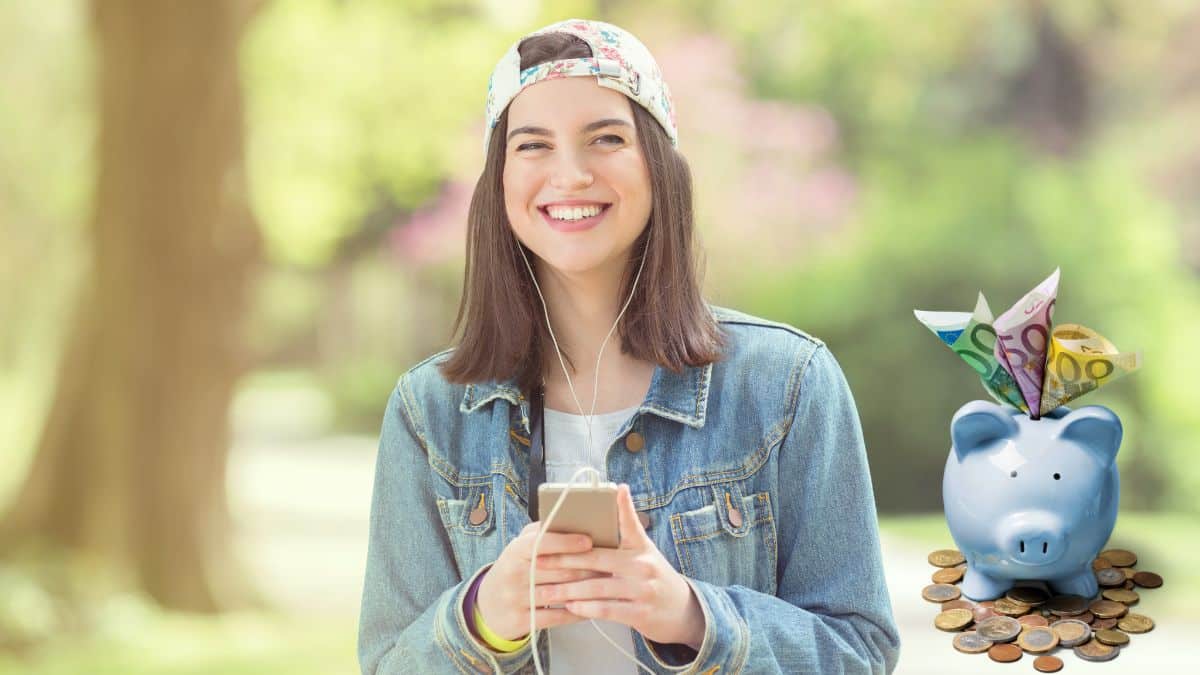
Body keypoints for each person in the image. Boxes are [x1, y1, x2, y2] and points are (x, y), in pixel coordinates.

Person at [357, 18, 900, 675]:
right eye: (533, 146)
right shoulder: (430, 411)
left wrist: (689, 615)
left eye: (606, 138)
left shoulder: (788, 385)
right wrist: (484, 617)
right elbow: (387, 662)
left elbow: (860, 653)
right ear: (499, 182)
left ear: (658, 162)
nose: (572, 174)